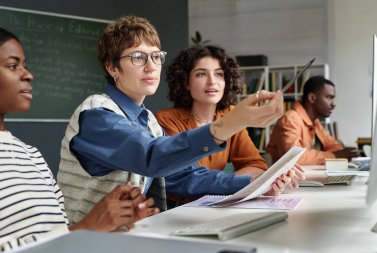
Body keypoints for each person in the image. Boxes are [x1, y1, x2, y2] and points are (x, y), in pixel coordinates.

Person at [57, 16, 303, 220]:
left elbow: (183, 175)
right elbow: (152, 157)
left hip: (131, 235)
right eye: (137, 57)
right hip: (89, 242)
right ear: (112, 68)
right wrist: (230, 123)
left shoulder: (147, 121)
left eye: (155, 56)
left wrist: (257, 184)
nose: (151, 66)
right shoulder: (96, 114)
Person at [0, 27, 159, 251]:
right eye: (12, 66)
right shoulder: (96, 111)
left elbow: (59, 235)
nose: (28, 74)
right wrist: (88, 226)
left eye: (24, 65)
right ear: (112, 68)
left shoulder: (31, 154)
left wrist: (110, 219)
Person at [155, 45, 288, 204]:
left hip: (217, 203)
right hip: (178, 209)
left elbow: (256, 165)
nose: (212, 82)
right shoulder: (166, 120)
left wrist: (229, 185)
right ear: (186, 83)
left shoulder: (230, 116)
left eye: (219, 74)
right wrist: (240, 183)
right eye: (201, 74)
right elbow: (186, 180)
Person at [266, 76, 359, 165]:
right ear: (312, 98)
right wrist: (333, 156)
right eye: (329, 97)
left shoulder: (315, 122)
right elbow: (293, 157)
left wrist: (318, 156)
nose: (333, 104)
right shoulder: (290, 119)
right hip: (282, 179)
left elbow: (336, 147)